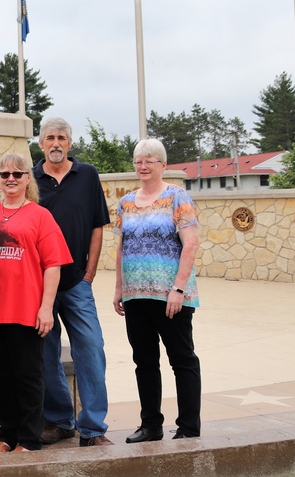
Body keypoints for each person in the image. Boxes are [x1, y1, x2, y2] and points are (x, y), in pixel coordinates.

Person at [113, 138, 202, 442]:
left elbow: (191, 243)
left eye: (150, 160)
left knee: (182, 359)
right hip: (136, 296)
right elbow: (121, 248)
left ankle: (189, 427)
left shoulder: (178, 198)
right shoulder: (125, 203)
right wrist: (119, 289)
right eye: (139, 160)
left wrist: (178, 289)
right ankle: (151, 425)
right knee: (145, 362)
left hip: (170, 298)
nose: (143, 166)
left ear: (163, 165)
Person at [32, 116, 114, 447]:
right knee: (46, 354)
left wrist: (90, 272)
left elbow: (98, 225)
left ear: (69, 142)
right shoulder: (31, 179)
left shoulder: (88, 175)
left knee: (91, 348)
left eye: (61, 138)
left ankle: (93, 427)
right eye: (50, 137)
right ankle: (60, 421)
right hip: (41, 287)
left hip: (78, 283)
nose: (55, 143)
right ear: (40, 143)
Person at [0, 153, 72, 453]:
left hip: (26, 311)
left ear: (27, 179)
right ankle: (6, 436)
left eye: (18, 174)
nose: (11, 179)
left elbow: (53, 265)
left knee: (29, 378)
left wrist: (46, 308)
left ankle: (29, 439)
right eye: (5, 174)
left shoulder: (40, 215)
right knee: (1, 378)